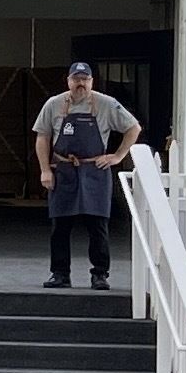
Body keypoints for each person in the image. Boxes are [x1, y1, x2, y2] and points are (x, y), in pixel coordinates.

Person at [30, 62, 141, 290]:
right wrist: (45, 170)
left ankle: (99, 274)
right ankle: (60, 274)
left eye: (85, 79)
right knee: (60, 226)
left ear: (91, 81)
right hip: (64, 170)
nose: (80, 83)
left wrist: (117, 156)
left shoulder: (106, 104)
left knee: (97, 225)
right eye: (76, 79)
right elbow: (42, 137)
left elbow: (133, 128)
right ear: (68, 81)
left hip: (95, 171)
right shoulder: (54, 104)